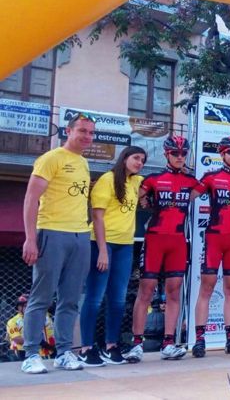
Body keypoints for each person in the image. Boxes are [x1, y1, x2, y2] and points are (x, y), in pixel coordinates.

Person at [21, 111, 95, 374]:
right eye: (82, 131)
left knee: (71, 299)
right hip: (51, 232)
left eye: (91, 132)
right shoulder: (50, 159)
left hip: (80, 236)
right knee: (41, 297)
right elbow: (31, 199)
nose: (87, 136)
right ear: (68, 131)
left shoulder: (83, 162)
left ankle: (64, 352)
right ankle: (31, 354)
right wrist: (30, 238)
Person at [125, 136, 198, 363]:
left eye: (183, 153)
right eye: (175, 153)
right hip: (155, 240)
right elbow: (132, 198)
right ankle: (137, 344)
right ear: (167, 154)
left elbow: (210, 186)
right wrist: (145, 202)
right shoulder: (153, 179)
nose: (180, 157)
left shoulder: (191, 181)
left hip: (178, 241)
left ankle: (168, 343)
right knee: (146, 291)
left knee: (174, 292)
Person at [78, 146, 147, 367]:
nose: (139, 163)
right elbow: (97, 217)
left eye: (143, 160)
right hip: (101, 243)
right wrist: (102, 250)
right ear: (124, 158)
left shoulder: (137, 182)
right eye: (136, 158)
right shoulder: (107, 180)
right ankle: (86, 348)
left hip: (125, 245)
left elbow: (152, 188)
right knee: (94, 297)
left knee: (118, 299)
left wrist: (147, 198)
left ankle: (111, 345)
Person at [190, 136, 230, 358]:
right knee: (206, 289)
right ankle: (199, 341)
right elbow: (189, 196)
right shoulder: (210, 177)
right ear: (222, 154)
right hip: (214, 239)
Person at [6, 294, 55, 361]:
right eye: (25, 306)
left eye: (31, 305)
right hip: (24, 352)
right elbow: (17, 339)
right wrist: (39, 342)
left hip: (50, 350)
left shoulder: (45, 315)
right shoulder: (13, 321)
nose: (29, 307)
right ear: (19, 307)